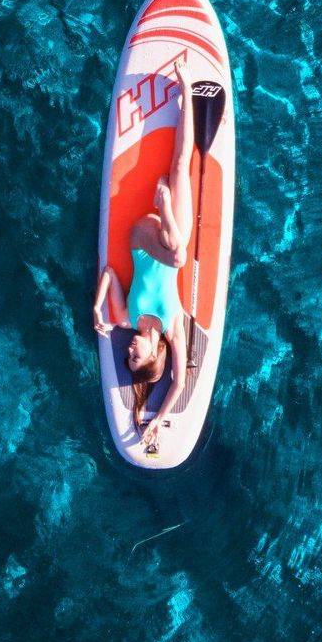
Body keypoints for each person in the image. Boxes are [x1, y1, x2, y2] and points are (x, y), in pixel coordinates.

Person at [92, 56, 194, 451]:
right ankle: (186, 93)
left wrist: (96, 307)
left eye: (128, 356)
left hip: (141, 237)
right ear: (154, 355)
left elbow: (108, 274)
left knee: (177, 251)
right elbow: (180, 381)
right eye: (136, 357)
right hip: (170, 242)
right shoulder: (172, 327)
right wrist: (157, 422)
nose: (130, 350)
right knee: (180, 165)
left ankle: (163, 205)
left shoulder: (125, 318)